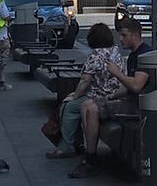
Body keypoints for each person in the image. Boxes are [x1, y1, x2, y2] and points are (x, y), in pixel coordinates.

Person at [68, 17, 151, 179]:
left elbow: (136, 86)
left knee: (92, 110)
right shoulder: (134, 55)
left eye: (124, 35)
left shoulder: (144, 55)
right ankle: (89, 151)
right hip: (128, 100)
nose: (120, 39)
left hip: (137, 106)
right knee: (86, 105)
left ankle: (91, 159)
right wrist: (112, 96)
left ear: (135, 35)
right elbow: (127, 88)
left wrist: (116, 73)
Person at [45, 23, 123, 161]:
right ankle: (77, 143)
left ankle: (66, 147)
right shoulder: (116, 52)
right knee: (74, 105)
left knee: (69, 107)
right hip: (115, 94)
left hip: (99, 96)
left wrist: (74, 95)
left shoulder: (96, 55)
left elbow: (85, 81)